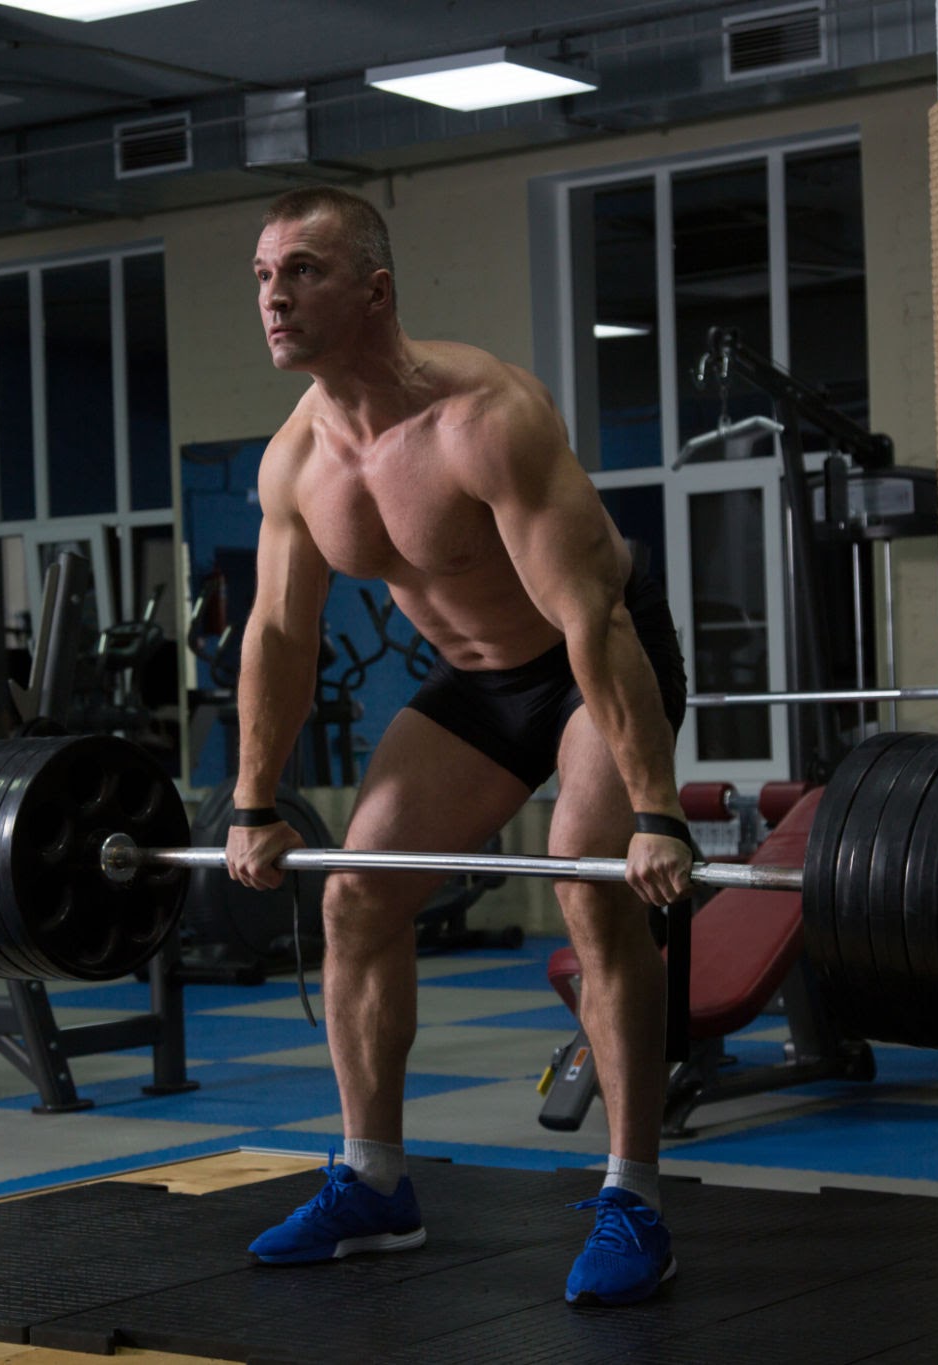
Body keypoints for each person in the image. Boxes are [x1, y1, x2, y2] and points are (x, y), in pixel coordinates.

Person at [226, 185, 693, 1308]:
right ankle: (374, 1183)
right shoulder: (295, 463)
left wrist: (655, 813)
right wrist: (253, 800)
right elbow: (282, 636)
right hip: (476, 687)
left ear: (374, 291)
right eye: (260, 276)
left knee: (590, 888)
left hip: (595, 663)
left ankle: (634, 1195)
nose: (273, 296)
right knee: (354, 896)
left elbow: (592, 623)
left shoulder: (486, 416)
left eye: (302, 270)